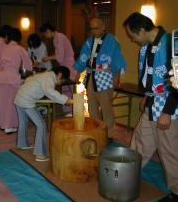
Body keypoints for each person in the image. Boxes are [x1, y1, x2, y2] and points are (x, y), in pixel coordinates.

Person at [123, 12, 178, 202]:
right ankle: (125, 176)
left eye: (133, 35)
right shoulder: (145, 48)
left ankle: (177, 192)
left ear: (142, 29)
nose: (133, 40)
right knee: (139, 142)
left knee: (169, 151)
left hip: (169, 107)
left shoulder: (172, 42)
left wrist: (167, 112)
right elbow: (149, 77)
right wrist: (146, 96)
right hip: (151, 102)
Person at [73, 17, 126, 138]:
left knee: (106, 106)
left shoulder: (112, 40)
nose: (93, 31)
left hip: (105, 76)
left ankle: (109, 134)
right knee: (92, 105)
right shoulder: (89, 41)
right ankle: (95, 130)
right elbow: (83, 57)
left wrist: (116, 78)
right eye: (91, 29)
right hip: (90, 75)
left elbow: (117, 59)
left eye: (96, 28)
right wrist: (78, 73)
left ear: (103, 27)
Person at [14, 66, 73, 161]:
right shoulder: (49, 77)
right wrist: (66, 100)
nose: (61, 82)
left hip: (19, 98)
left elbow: (29, 80)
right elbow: (50, 92)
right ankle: (40, 155)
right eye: (63, 80)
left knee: (23, 122)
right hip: (26, 101)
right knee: (41, 125)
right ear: (60, 75)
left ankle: (22, 144)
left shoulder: (45, 74)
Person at [0, 27, 32, 134]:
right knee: (12, 102)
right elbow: (28, 65)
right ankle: (10, 126)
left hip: (1, 77)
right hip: (12, 77)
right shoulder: (19, 48)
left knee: (3, 102)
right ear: (19, 38)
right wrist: (30, 70)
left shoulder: (4, 48)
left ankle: (3, 124)